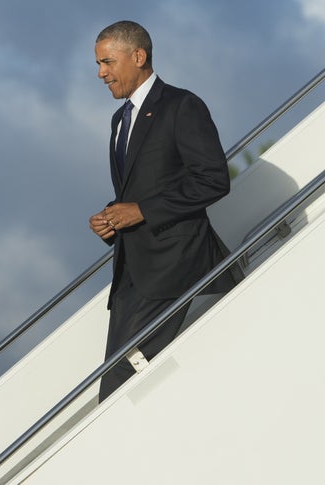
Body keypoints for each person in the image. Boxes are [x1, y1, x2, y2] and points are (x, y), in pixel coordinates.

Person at [88, 20, 243, 401]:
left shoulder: (181, 105)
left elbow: (213, 180)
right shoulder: (119, 120)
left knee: (122, 384)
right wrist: (112, 216)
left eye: (107, 62)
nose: (101, 73)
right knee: (115, 383)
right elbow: (142, 187)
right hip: (131, 273)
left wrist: (141, 211)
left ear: (137, 57)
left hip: (173, 266)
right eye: (99, 64)